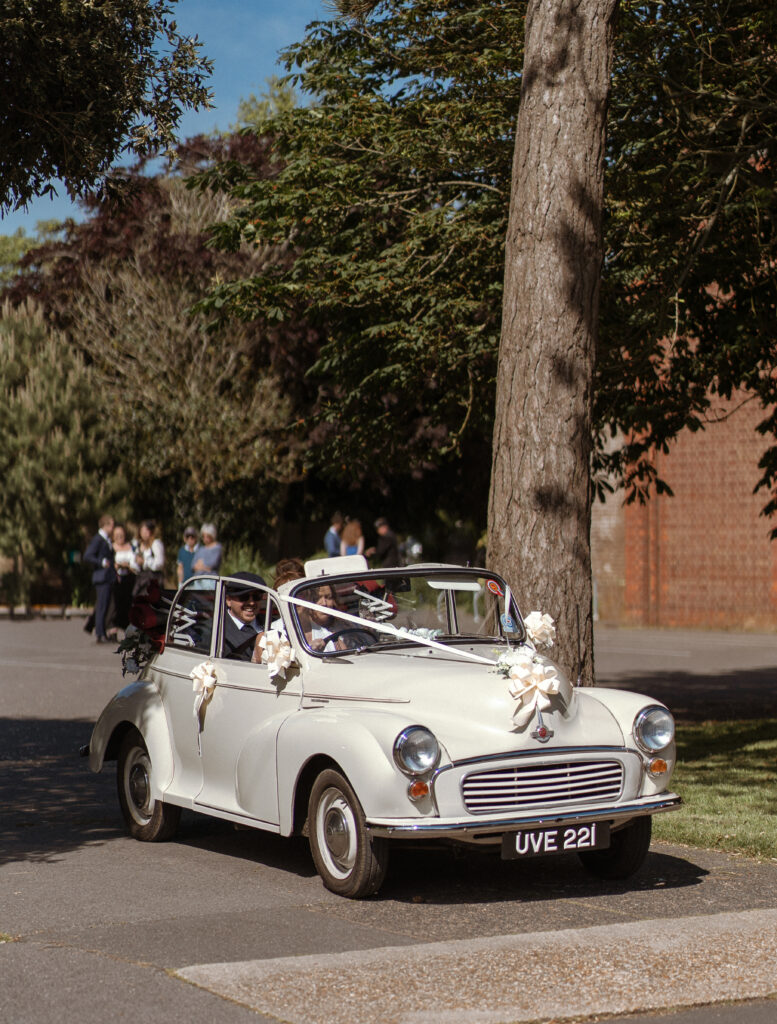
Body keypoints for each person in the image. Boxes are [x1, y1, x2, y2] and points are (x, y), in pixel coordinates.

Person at [83, 514, 115, 643]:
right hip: (101, 577)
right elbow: (87, 556)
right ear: (105, 525)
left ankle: (102, 631)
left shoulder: (106, 539)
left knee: (105, 605)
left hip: (107, 577)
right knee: (101, 605)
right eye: (111, 525)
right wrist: (101, 562)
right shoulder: (98, 539)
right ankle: (99, 633)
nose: (113, 528)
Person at [222, 571, 267, 661]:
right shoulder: (214, 629)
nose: (251, 602)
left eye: (256, 596)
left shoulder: (272, 624)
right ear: (228, 600)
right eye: (244, 597)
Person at [106, 523, 135, 637]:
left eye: (121, 535)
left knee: (128, 603)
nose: (119, 537)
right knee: (114, 605)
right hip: (116, 578)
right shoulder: (111, 547)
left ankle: (127, 628)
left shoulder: (131, 546)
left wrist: (128, 566)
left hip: (129, 578)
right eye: (117, 535)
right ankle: (112, 628)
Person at [133, 519, 165, 595]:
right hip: (141, 580)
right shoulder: (139, 545)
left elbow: (160, 563)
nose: (144, 534)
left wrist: (145, 562)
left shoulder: (156, 544)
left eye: (146, 531)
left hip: (153, 580)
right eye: (142, 531)